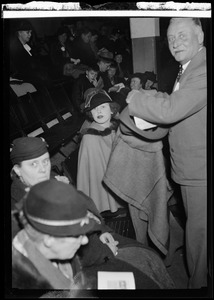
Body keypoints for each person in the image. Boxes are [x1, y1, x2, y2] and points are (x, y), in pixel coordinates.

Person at [125, 18, 207, 289]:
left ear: (200, 36)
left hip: (200, 171)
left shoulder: (203, 69)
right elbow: (174, 104)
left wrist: (135, 97)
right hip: (189, 168)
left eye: (183, 36)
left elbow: (172, 110)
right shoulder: (187, 67)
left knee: (199, 239)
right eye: (171, 38)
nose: (176, 43)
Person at [76, 89, 123, 214]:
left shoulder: (115, 129)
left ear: (112, 109)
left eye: (103, 106)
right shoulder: (90, 138)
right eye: (94, 109)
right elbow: (91, 174)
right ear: (91, 113)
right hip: (104, 188)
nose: (99, 111)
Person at [9, 19, 51, 91]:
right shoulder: (15, 49)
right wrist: (38, 73)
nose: (30, 35)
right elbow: (19, 70)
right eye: (27, 32)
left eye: (31, 32)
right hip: (22, 79)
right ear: (19, 33)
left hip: (31, 76)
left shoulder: (27, 47)